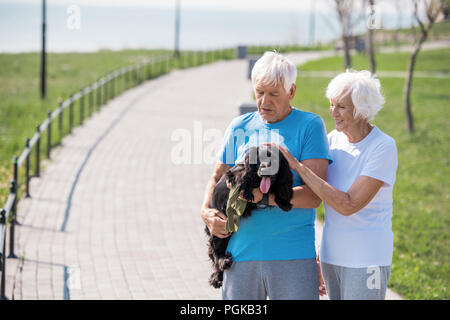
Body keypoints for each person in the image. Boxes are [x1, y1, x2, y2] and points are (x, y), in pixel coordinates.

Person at [200, 51, 331, 300]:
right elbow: (216, 177)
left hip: (292, 257)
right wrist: (205, 212)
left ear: (291, 92)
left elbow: (314, 196)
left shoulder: (310, 126)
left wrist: (260, 198)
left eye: (274, 94)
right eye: (259, 92)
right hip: (240, 256)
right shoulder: (240, 126)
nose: (264, 101)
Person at [266, 70, 398, 300]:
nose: (333, 112)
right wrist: (320, 256)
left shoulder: (382, 147)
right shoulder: (331, 141)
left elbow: (348, 204)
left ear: (361, 109)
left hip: (367, 259)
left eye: (341, 107)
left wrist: (298, 166)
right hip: (332, 256)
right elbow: (323, 198)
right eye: (332, 104)